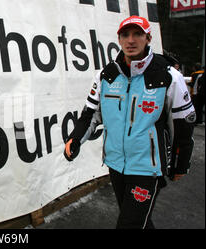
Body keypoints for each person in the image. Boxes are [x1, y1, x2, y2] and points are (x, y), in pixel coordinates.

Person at [63, 16, 196, 229]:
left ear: (148, 38)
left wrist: (181, 162)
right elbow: (90, 114)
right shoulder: (106, 75)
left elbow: (183, 124)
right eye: (126, 35)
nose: (131, 40)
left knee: (130, 224)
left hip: (147, 167)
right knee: (138, 220)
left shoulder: (169, 75)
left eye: (138, 34)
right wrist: (75, 139)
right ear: (119, 38)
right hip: (116, 164)